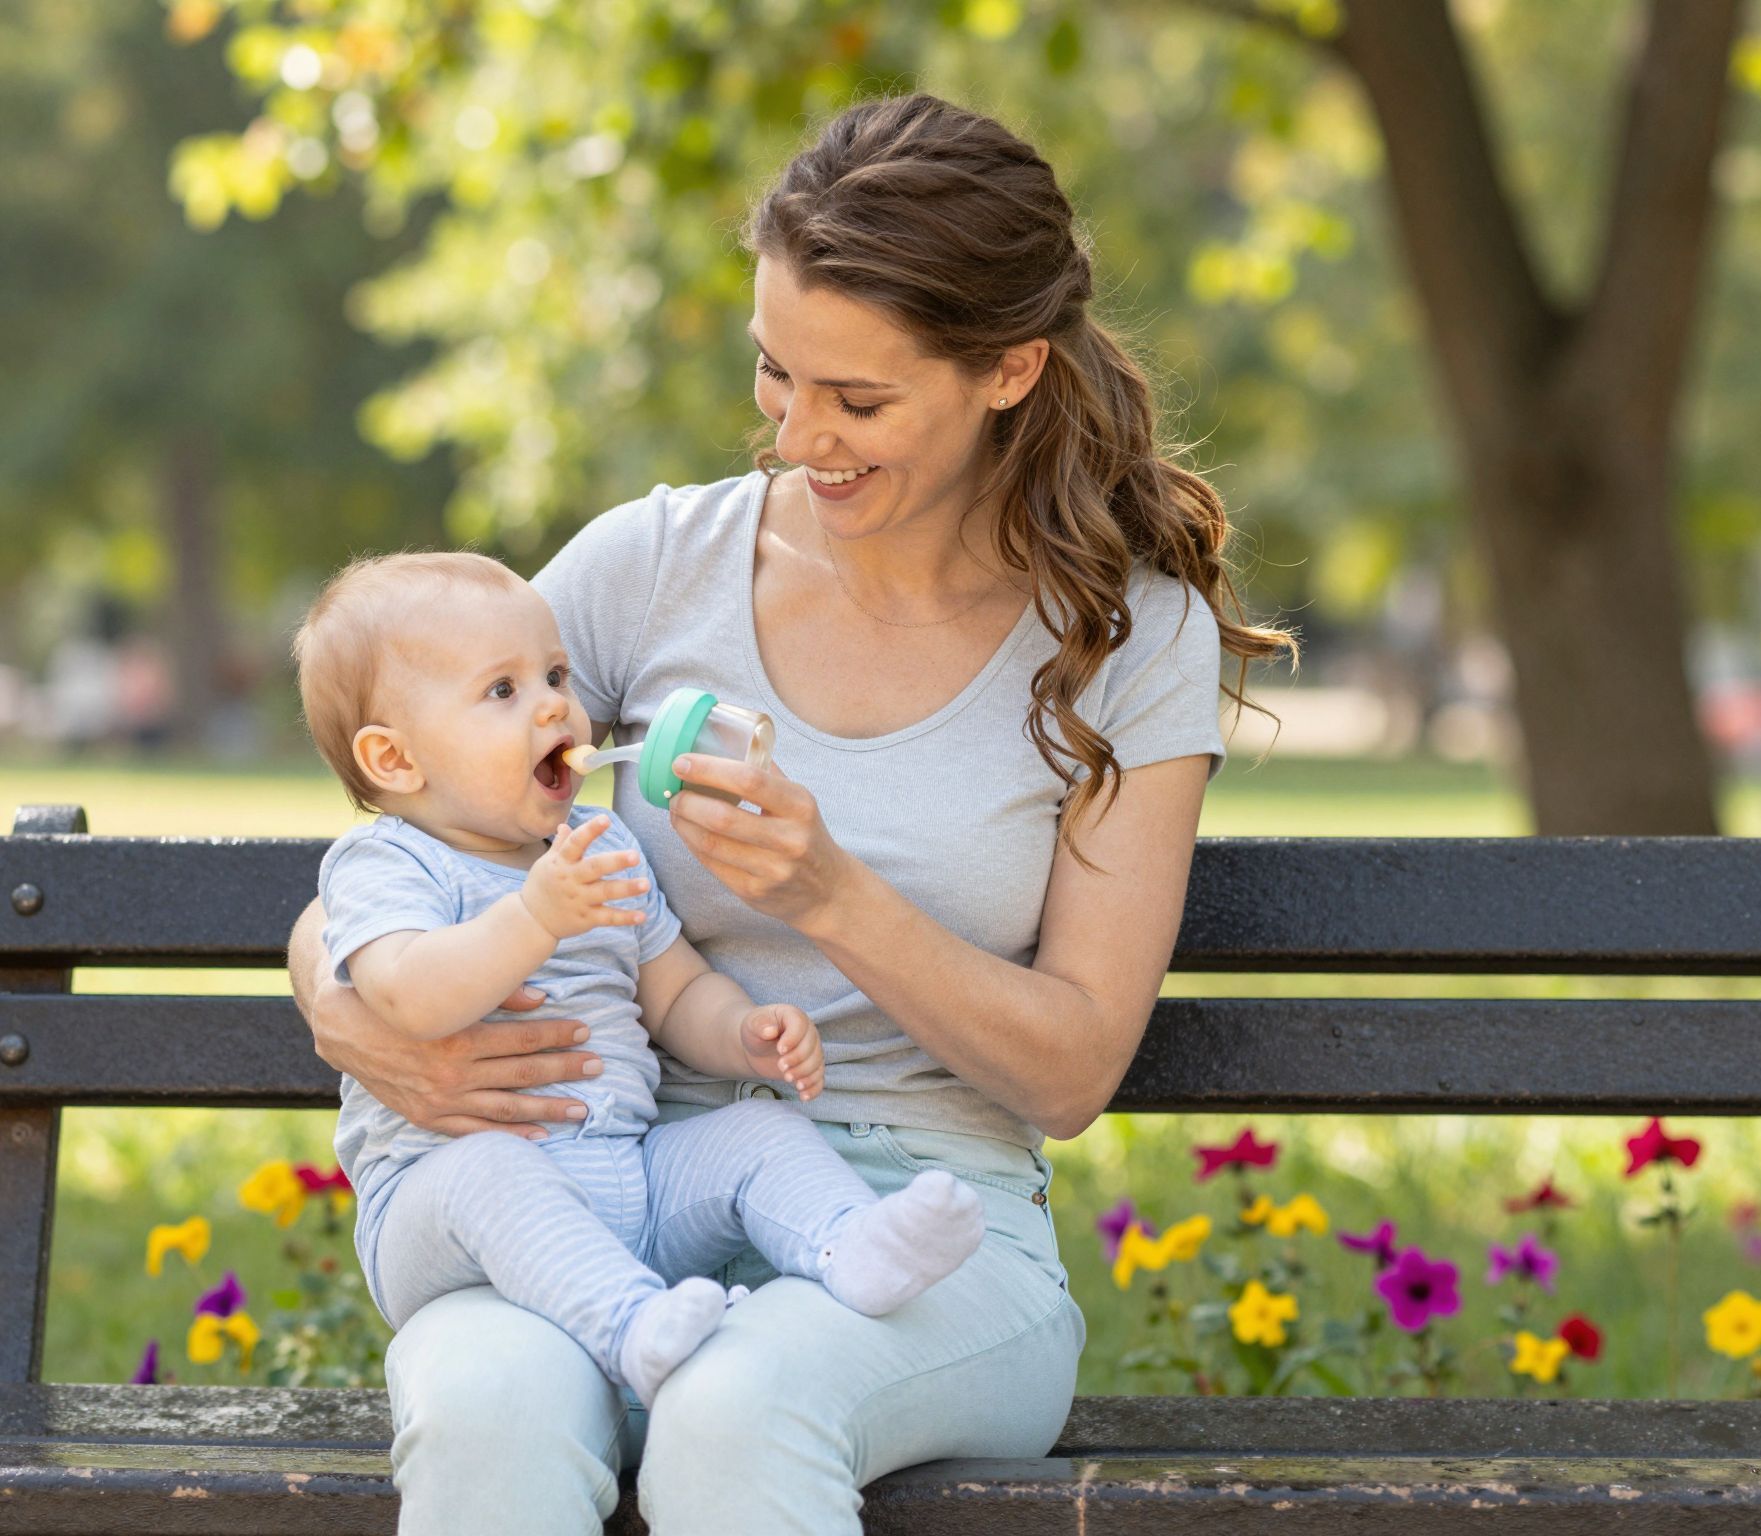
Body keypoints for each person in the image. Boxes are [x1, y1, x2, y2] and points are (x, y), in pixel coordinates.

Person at [286, 92, 1294, 1535]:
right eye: (776, 376)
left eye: (858, 400)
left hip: (926, 1234)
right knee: (483, 1401)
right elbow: (391, 834)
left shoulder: (1128, 639)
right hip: (610, 1194)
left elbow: (1071, 1070)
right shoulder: (653, 568)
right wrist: (348, 1008)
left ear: (1007, 371)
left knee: (733, 1411)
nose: (797, 439)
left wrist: (833, 896)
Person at [292, 551, 986, 1409]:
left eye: (554, 674)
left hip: (628, 1174)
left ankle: (855, 1247)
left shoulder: (601, 845)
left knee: (756, 1137)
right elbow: (407, 995)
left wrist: (744, 1033)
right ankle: (632, 1329)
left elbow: (676, 990)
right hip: (444, 1209)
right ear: (394, 760)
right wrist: (535, 917)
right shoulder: (388, 863)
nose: (554, 704)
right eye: (502, 692)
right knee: (490, 1175)